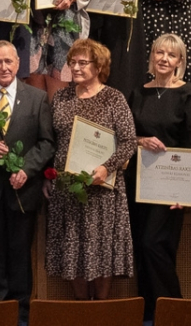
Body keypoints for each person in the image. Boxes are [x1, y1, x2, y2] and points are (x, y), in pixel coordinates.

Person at [0, 40, 54, 321]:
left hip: (23, 192)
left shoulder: (37, 97)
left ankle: (21, 316)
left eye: (8, 61)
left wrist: (27, 169)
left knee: (20, 257)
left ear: (18, 64)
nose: (3, 67)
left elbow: (46, 143)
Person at [46, 38, 136, 300]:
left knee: (101, 251)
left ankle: (101, 310)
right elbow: (54, 139)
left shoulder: (113, 98)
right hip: (68, 188)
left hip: (102, 190)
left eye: (82, 63)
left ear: (99, 67)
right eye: (72, 62)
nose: (75, 67)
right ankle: (82, 308)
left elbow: (129, 141)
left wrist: (106, 168)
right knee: (72, 250)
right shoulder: (61, 96)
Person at [127, 34, 191, 321]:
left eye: (171, 55)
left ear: (180, 61)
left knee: (154, 243)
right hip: (140, 179)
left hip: (172, 182)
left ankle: (174, 308)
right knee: (141, 246)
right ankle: (149, 311)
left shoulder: (188, 93)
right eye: (159, 52)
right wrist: (140, 140)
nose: (164, 59)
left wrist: (185, 192)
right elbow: (127, 137)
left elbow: (190, 143)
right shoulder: (137, 92)